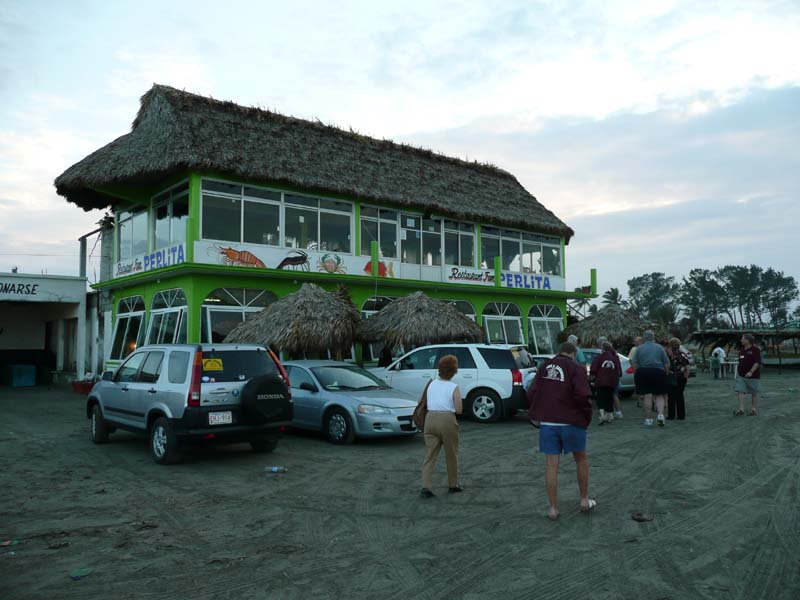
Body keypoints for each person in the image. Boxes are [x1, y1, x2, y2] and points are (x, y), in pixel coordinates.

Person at [527, 341, 596, 520]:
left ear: (559, 352)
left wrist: (537, 413)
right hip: (571, 420)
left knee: (551, 465)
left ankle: (553, 509)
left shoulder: (545, 366)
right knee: (580, 459)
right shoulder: (575, 368)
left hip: (548, 422)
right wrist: (586, 417)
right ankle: (584, 499)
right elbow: (583, 395)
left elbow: (532, 391)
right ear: (573, 353)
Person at [421, 355, 463, 498]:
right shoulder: (454, 387)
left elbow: (425, 402)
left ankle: (426, 486)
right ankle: (453, 484)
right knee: (451, 454)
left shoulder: (431, 384)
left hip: (430, 419)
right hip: (447, 420)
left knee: (430, 455)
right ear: (454, 371)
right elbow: (459, 409)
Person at [631, 330, 670, 427]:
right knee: (659, 395)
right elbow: (666, 362)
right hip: (658, 372)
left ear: (644, 338)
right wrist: (666, 372)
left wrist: (636, 373)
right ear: (653, 337)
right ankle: (660, 416)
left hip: (643, 372)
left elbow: (635, 363)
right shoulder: (660, 347)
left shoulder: (639, 349)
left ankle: (648, 419)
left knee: (647, 396)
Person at [590, 341, 621, 424]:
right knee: (609, 398)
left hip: (600, 382)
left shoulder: (598, 358)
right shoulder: (614, 358)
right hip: (611, 382)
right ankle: (609, 415)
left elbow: (593, 370)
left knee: (600, 399)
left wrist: (592, 379)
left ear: (602, 348)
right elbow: (618, 371)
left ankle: (602, 415)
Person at [734, 334, 761, 416]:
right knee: (740, 390)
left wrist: (751, 372)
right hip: (741, 375)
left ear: (747, 340)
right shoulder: (741, 351)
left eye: (742, 339)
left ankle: (753, 409)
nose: (741, 340)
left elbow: (757, 362)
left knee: (754, 392)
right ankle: (741, 409)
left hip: (753, 376)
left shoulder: (755, 350)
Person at [598, 336, 624, 418]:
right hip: (614, 375)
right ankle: (613, 412)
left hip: (612, 376)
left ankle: (617, 412)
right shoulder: (613, 351)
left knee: (613, 394)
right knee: (612, 394)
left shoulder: (610, 352)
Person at [666, 338, 690, 420]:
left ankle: (671, 415)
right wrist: (686, 376)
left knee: (671, 397)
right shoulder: (683, 354)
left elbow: (666, 366)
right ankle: (681, 415)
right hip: (681, 378)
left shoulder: (668, 355)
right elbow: (687, 367)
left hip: (672, 377)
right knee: (680, 396)